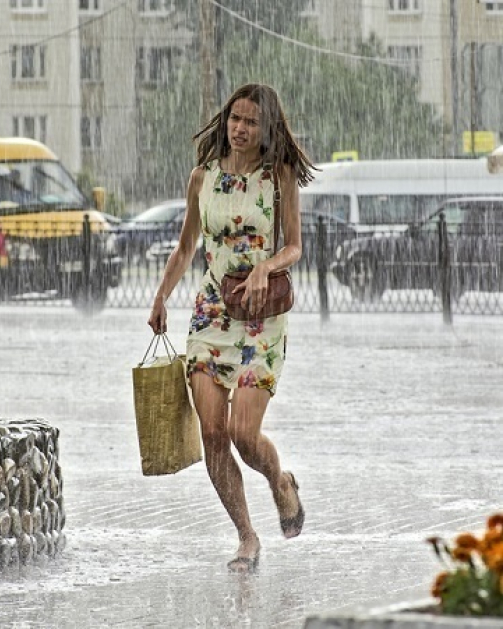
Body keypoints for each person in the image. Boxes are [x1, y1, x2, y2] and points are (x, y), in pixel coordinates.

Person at [147, 83, 316, 573]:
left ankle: (280, 482)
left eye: (251, 123)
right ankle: (247, 537)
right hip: (212, 316)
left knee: (244, 433)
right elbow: (185, 249)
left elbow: (295, 247)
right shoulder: (203, 177)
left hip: (261, 318)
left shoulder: (278, 175)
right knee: (214, 436)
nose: (240, 129)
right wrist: (161, 295)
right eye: (235, 119)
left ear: (267, 131)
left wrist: (267, 267)